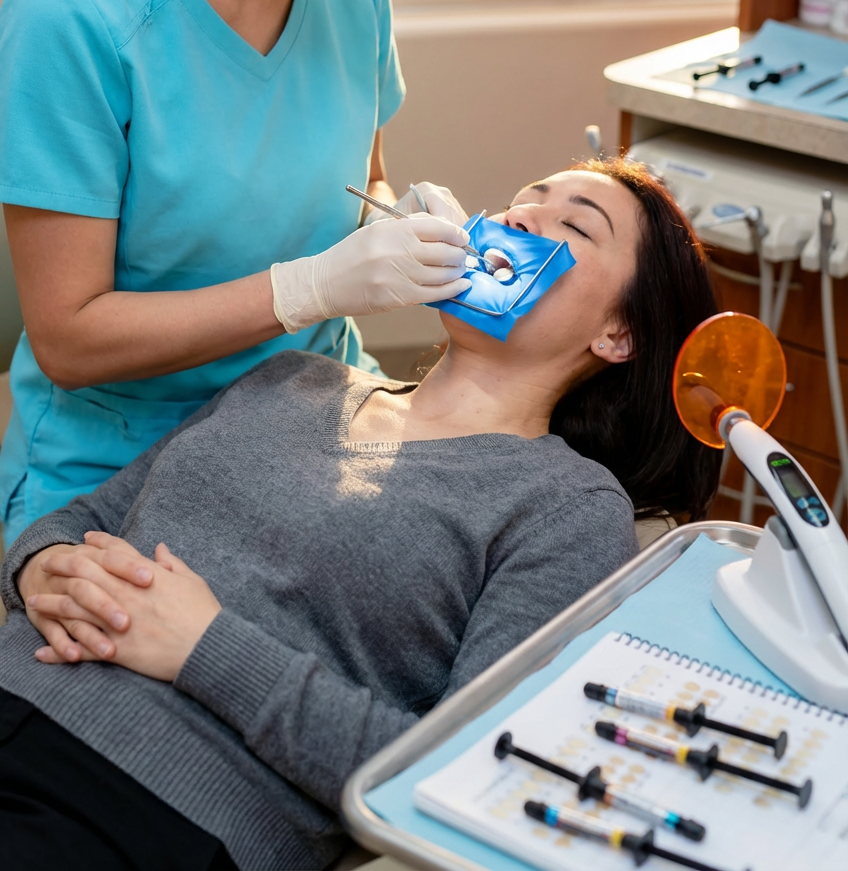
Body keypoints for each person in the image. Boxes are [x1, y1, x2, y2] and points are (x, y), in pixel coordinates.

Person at [0, 160, 719, 870]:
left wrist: (206, 648)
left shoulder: (567, 508)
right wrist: (35, 567)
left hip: (148, 809)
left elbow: (458, 770)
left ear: (618, 334)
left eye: (573, 226)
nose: (518, 218)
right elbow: (85, 517)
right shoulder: (291, 376)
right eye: (518, 200)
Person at [0, 0, 476, 547]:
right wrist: (307, 288)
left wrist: (391, 224)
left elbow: (353, 186)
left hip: (313, 420)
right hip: (123, 469)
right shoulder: (74, 16)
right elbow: (69, 339)